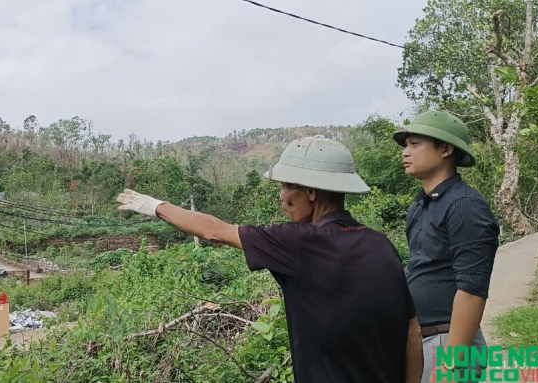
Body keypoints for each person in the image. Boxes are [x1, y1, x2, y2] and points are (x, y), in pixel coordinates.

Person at [116, 136, 423, 383]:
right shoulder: (381, 245)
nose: (281, 196)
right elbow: (411, 331)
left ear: (311, 192)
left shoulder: (299, 242)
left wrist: (153, 205)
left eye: (286, 185)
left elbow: (214, 231)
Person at [392, 111, 501, 383]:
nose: (405, 152)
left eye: (414, 144)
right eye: (406, 144)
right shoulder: (421, 204)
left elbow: (472, 290)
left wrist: (452, 365)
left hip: (448, 343)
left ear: (445, 149)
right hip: (422, 340)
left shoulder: (465, 205)